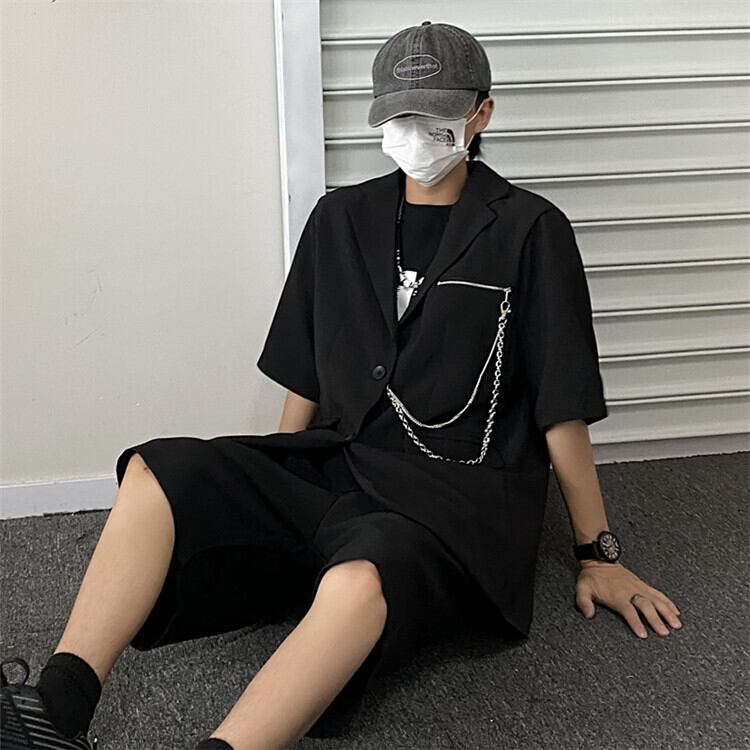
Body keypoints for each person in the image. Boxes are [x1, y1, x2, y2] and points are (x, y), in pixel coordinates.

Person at [0, 20, 683, 750]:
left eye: (433, 115)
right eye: (397, 116)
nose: (412, 133)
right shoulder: (340, 219)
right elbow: (304, 367)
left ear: (480, 114)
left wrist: (597, 553)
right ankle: (55, 708)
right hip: (342, 460)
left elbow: (561, 404)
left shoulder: (531, 231)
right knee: (157, 471)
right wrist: (275, 484)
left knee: (358, 579)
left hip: (453, 495)